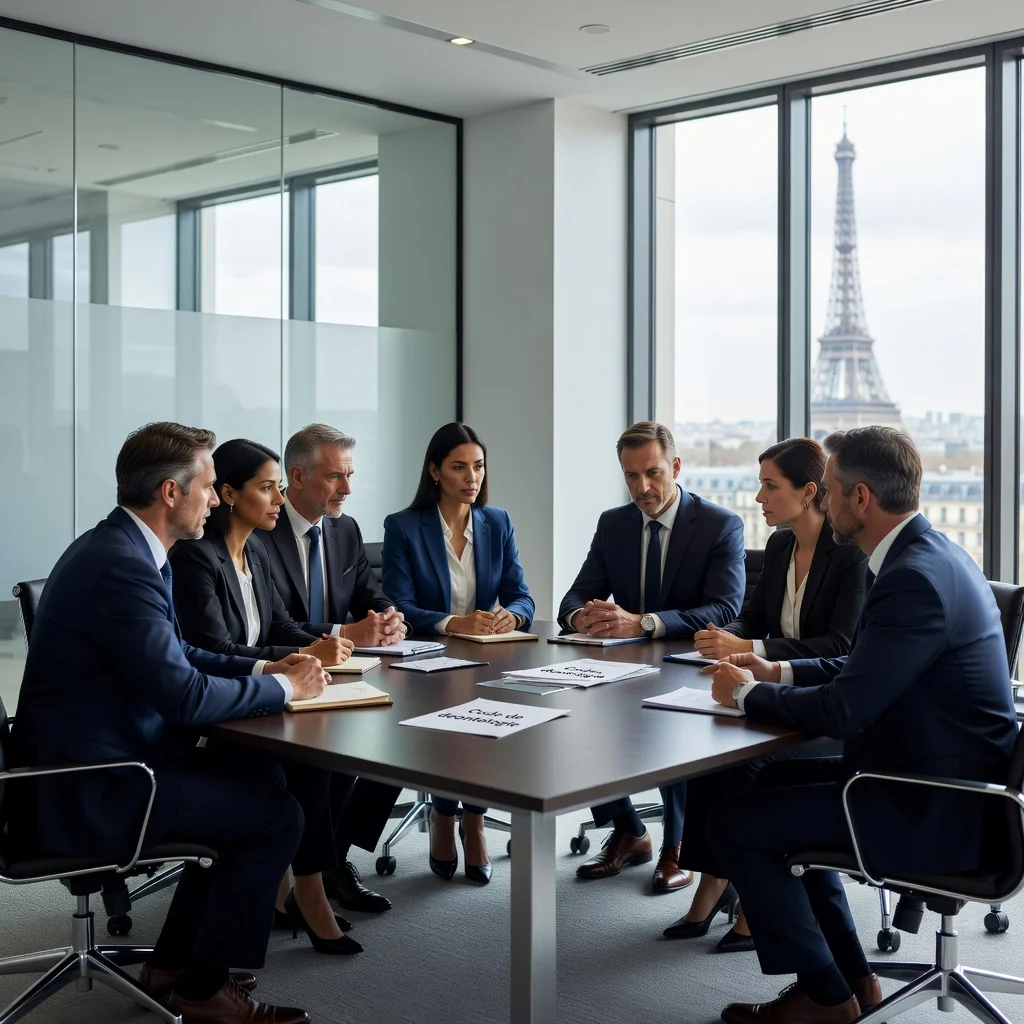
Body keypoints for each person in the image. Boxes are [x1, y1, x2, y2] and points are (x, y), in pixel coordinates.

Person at [9, 422, 329, 1024]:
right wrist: (285, 688)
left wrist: (267, 664)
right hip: (97, 784)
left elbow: (178, 654)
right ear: (169, 492)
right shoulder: (123, 566)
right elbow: (183, 695)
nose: (216, 497)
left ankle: (174, 963)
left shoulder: (124, 549)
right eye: (209, 486)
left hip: (103, 758)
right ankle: (204, 990)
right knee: (275, 817)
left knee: (258, 777)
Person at [702, 426, 1018, 1024]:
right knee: (769, 784)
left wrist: (744, 696)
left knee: (734, 824)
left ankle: (825, 998)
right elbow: (864, 664)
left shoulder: (912, 577)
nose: (828, 499)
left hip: (932, 806)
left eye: (834, 490)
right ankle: (855, 979)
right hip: (934, 781)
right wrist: (778, 671)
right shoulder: (928, 555)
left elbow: (845, 709)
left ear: (861, 498)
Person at [664, 437, 867, 951]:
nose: (759, 497)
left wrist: (749, 646)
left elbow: (841, 643)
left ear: (809, 492)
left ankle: (752, 898)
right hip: (771, 690)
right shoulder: (779, 547)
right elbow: (752, 618)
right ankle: (715, 882)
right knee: (714, 751)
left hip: (820, 706)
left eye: (769, 486)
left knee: (746, 765)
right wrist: (723, 637)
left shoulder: (848, 556)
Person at [170, 438, 362, 955]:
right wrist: (286, 662)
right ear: (228, 494)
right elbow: (210, 647)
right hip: (221, 714)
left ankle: (308, 886)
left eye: (279, 486)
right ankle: (310, 892)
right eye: (267, 488)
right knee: (309, 766)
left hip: (259, 698)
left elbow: (277, 623)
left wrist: (324, 646)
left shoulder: (256, 546)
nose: (279, 498)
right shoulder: (195, 557)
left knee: (329, 754)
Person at [560, 421, 745, 892]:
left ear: (676, 466)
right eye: (631, 476)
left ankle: (675, 845)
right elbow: (574, 596)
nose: (642, 487)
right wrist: (582, 617)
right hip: (622, 666)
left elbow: (725, 608)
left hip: (689, 665)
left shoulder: (720, 525)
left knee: (672, 723)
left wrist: (643, 622)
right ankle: (630, 829)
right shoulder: (614, 523)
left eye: (653, 473)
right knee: (577, 721)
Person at [254, 423, 402, 914]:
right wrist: (345, 633)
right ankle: (314, 873)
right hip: (290, 673)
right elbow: (278, 623)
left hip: (347, 675)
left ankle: (331, 860)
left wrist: (385, 619)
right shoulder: (261, 533)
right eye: (337, 477)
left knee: (402, 735)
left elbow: (369, 596)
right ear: (296, 476)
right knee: (330, 759)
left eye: (350, 475)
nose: (347, 489)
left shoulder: (345, 530)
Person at [382, 422, 535, 884]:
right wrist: (453, 623)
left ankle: (473, 820)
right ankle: (446, 819)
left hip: (488, 655)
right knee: (449, 734)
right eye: (459, 467)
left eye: (479, 466)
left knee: (482, 734)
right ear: (434, 471)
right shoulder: (404, 527)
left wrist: (513, 616)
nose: (472, 477)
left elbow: (523, 596)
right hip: (426, 659)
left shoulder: (498, 522)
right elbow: (399, 603)